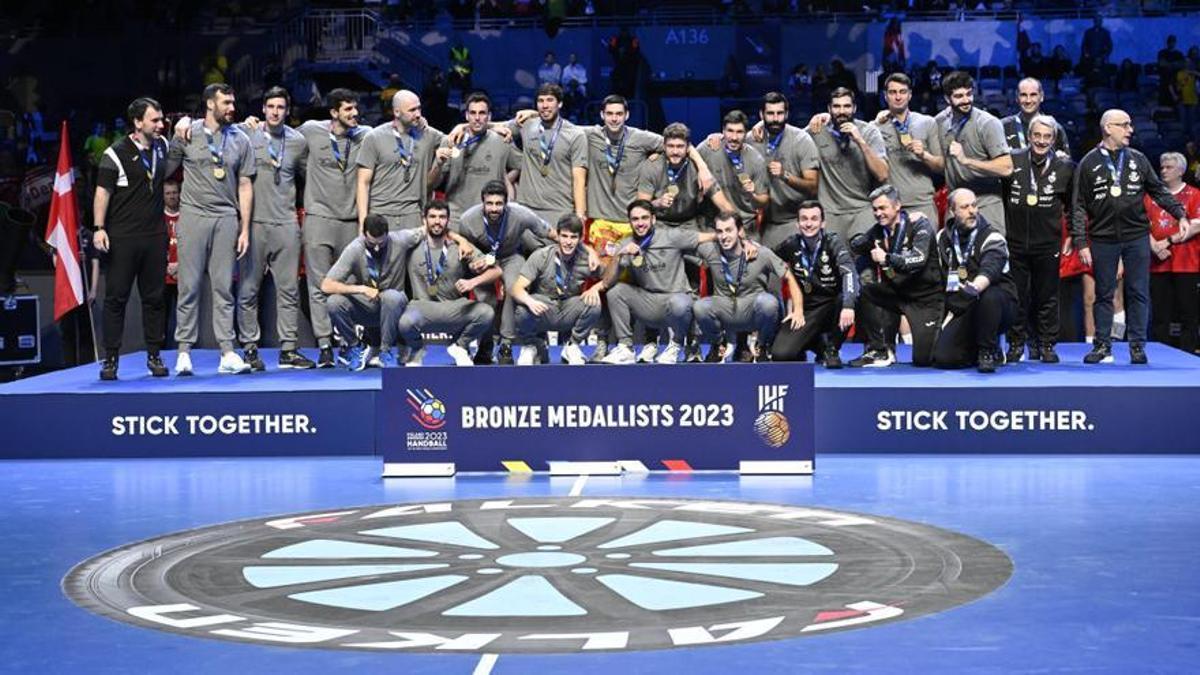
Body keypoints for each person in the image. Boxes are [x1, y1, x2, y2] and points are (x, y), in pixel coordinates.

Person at [1071, 109, 1190, 365]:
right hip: (1102, 237)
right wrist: (1081, 242)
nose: (1130, 130)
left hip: (1136, 236)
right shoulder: (1088, 163)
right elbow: (1078, 206)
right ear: (1108, 128)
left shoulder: (1137, 158)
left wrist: (1180, 214)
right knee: (1104, 294)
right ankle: (1102, 345)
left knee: (1138, 292)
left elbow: (1158, 191)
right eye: (1124, 125)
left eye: (1130, 125)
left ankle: (1137, 346)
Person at [168, 83, 255, 376]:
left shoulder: (240, 139)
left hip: (226, 218)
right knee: (188, 287)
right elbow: (165, 171)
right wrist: (175, 126)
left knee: (223, 288)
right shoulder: (186, 132)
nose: (232, 108)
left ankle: (228, 353)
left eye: (233, 102)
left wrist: (244, 228)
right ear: (209, 104)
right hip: (193, 216)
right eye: (226, 103)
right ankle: (183, 353)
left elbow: (245, 184)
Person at [92, 97, 172, 381]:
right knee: (116, 299)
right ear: (138, 123)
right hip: (123, 238)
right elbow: (102, 193)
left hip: (155, 237)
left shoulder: (162, 146)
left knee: (155, 299)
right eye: (155, 120)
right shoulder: (115, 154)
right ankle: (111, 359)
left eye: (161, 119)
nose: (161, 124)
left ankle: (154, 354)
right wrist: (99, 227)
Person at [236, 87, 314, 371]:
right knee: (248, 289)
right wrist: (184, 123)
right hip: (255, 224)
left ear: (288, 110)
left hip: (286, 224)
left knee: (289, 291)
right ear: (263, 109)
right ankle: (249, 348)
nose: (275, 112)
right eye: (270, 106)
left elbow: (311, 177)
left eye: (281, 107)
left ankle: (289, 350)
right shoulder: (247, 134)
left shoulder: (298, 142)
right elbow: (218, 132)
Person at [297, 89, 373, 367]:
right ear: (333, 113)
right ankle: (325, 343)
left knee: (349, 286)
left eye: (356, 109)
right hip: (318, 218)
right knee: (318, 285)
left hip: (351, 221)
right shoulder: (310, 131)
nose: (355, 114)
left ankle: (348, 342)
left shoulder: (366, 135)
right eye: (348, 109)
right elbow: (275, 132)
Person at [599, 200, 727, 364]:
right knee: (616, 292)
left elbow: (709, 236)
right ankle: (625, 348)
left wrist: (739, 238)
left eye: (644, 218)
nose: (640, 223)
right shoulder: (626, 243)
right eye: (635, 219)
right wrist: (618, 256)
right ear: (630, 221)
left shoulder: (671, 236)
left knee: (679, 302)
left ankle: (676, 345)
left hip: (677, 302)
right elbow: (607, 281)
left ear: (653, 219)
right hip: (649, 303)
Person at [455, 180, 564, 364]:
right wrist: (473, 258)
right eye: (489, 203)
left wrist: (582, 249)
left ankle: (506, 344)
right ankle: (485, 347)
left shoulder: (520, 213)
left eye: (499, 204)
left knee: (515, 289)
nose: (494, 208)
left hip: (511, 256)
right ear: (482, 202)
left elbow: (550, 233)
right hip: (484, 260)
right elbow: (462, 242)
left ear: (506, 203)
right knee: (485, 301)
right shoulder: (467, 219)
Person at [1002, 114, 1074, 364]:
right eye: (1037, 136)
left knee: (1047, 297)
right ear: (1029, 136)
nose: (1041, 141)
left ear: (1054, 139)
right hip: (1015, 241)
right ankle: (1015, 344)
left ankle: (1046, 345)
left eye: (1047, 137)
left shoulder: (1065, 166)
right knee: (1017, 296)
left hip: (1048, 242)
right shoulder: (1013, 160)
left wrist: (1073, 236)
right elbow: (1000, 197)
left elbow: (1072, 205)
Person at [848, 185, 943, 367]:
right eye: (875, 209)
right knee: (866, 291)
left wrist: (887, 258)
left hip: (925, 299)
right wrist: (863, 241)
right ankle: (881, 350)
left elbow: (919, 259)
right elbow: (855, 245)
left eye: (882, 208)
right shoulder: (878, 231)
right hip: (897, 294)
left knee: (924, 360)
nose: (878, 213)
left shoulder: (919, 225)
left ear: (897, 206)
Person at [400, 200, 498, 367]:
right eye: (432, 217)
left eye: (442, 217)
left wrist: (473, 282)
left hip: (455, 308)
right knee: (405, 322)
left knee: (486, 313)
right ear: (424, 220)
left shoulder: (462, 247)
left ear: (448, 220)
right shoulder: (411, 245)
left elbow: (497, 271)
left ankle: (460, 347)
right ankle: (417, 349)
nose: (437, 221)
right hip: (423, 308)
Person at [320, 214, 424, 370]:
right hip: (368, 305)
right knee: (333, 302)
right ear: (363, 234)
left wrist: (462, 241)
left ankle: (385, 350)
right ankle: (356, 346)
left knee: (391, 297)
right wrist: (360, 288)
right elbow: (326, 285)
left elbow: (431, 228)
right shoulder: (355, 248)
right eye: (371, 243)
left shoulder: (400, 239)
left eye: (381, 244)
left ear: (387, 235)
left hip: (395, 306)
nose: (376, 248)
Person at [693, 211, 797, 362]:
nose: (724, 236)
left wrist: (798, 309)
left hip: (751, 311)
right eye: (719, 231)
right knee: (700, 306)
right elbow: (681, 241)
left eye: (729, 230)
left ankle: (761, 346)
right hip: (726, 309)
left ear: (740, 231)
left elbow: (788, 277)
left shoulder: (760, 253)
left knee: (769, 303)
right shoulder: (711, 250)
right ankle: (718, 345)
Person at [933, 189, 1018, 373]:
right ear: (952, 211)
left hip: (1000, 304)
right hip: (964, 304)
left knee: (989, 296)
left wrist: (975, 287)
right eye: (965, 207)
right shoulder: (942, 239)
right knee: (944, 358)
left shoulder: (992, 236)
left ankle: (989, 350)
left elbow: (991, 268)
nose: (972, 211)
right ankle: (977, 347)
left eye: (974, 205)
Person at [771, 201, 859, 367]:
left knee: (847, 300)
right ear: (797, 223)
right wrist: (750, 246)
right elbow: (767, 257)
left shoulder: (833, 243)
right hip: (805, 310)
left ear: (822, 223)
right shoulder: (791, 244)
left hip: (831, 306)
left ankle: (832, 348)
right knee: (781, 355)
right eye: (804, 219)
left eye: (814, 219)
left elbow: (849, 273)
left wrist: (849, 305)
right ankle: (819, 346)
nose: (809, 224)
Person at [510, 214, 604, 365]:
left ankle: (572, 346)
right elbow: (516, 289)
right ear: (557, 236)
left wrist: (596, 287)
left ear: (580, 239)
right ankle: (532, 346)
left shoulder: (587, 258)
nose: (568, 242)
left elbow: (609, 278)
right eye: (564, 236)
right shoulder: (541, 256)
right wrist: (529, 301)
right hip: (544, 307)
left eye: (573, 237)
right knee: (522, 309)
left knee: (593, 303)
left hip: (569, 307)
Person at [806, 87, 889, 241]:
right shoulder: (816, 130)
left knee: (865, 261)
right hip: (830, 212)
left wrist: (860, 141)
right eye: (836, 106)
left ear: (855, 108)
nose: (841, 111)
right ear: (829, 109)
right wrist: (759, 127)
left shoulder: (869, 132)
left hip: (862, 209)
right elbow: (788, 135)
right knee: (831, 262)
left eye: (847, 106)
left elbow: (883, 174)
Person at [935, 70, 1013, 233]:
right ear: (947, 99)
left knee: (990, 255)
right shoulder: (940, 122)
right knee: (954, 257)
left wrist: (967, 161)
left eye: (969, 94)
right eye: (959, 96)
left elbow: (1006, 168)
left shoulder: (988, 124)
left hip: (986, 203)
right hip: (956, 204)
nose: (966, 100)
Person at [357, 90, 445, 231]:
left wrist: (461, 126)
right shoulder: (374, 137)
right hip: (381, 213)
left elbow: (452, 140)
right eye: (412, 110)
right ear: (397, 112)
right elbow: (363, 183)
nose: (418, 114)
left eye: (419, 108)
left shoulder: (427, 134)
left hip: (413, 215)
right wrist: (363, 223)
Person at [506, 83, 587, 226]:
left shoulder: (575, 135)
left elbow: (579, 180)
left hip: (559, 210)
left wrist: (580, 215)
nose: (545, 105)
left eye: (550, 100)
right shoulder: (527, 124)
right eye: (540, 101)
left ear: (560, 103)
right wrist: (462, 127)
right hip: (527, 209)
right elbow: (490, 126)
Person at [748, 92, 820, 250]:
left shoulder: (801, 140)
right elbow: (730, 139)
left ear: (787, 114)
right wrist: (716, 137)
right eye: (770, 113)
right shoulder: (751, 140)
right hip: (766, 222)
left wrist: (784, 175)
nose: (775, 119)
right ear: (761, 115)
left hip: (796, 219)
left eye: (780, 113)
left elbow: (813, 186)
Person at [436, 92, 520, 228]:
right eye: (473, 113)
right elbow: (435, 183)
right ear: (466, 115)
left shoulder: (502, 139)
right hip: (457, 219)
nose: (477, 117)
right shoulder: (451, 140)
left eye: (482, 113)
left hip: (490, 217)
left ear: (489, 116)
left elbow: (522, 165)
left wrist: (507, 183)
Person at [1147, 152, 1200, 355]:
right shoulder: (1151, 196)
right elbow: (1141, 224)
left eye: (1168, 167)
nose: (1163, 171)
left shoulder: (1194, 194)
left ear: (1181, 171)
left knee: (1188, 313)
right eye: (1162, 167)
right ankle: (1162, 354)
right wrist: (1154, 246)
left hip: (1186, 263)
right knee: (1160, 314)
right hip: (1158, 263)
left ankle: (1187, 353)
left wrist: (1166, 242)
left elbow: (1195, 226)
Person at [873, 73, 942, 225]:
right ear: (885, 96)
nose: (898, 97)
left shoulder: (927, 123)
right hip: (889, 207)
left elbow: (941, 166)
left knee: (926, 249)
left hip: (922, 203)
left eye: (903, 92)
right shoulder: (874, 127)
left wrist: (924, 155)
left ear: (910, 95)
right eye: (893, 92)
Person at [699, 110, 769, 236]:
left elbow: (764, 201)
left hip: (746, 225)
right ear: (723, 131)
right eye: (730, 131)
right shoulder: (708, 148)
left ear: (746, 133)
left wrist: (753, 194)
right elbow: (685, 154)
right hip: (713, 225)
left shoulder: (756, 160)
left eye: (739, 132)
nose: (734, 137)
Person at [1001, 78, 1071, 156]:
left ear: (1041, 97)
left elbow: (1066, 163)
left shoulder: (1055, 128)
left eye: (1033, 95)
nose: (1028, 100)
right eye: (1023, 95)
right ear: (1017, 97)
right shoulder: (1003, 126)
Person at [162, 179, 181, 347]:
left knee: (184, 317)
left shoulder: (187, 216)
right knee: (162, 318)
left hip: (184, 274)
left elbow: (193, 243)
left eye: (174, 192)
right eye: (168, 193)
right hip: (163, 275)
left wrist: (179, 265)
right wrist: (166, 266)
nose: (172, 196)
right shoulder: (157, 217)